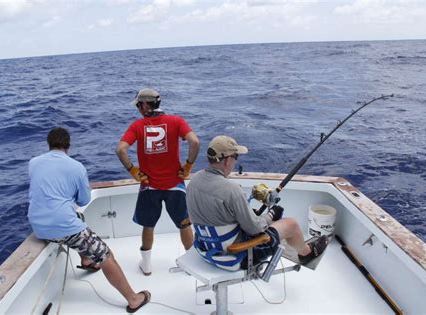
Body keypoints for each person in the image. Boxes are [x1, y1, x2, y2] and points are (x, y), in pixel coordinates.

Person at [28, 127, 150, 313]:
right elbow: (84, 200)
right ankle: (133, 299)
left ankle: (86, 261)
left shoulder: (33, 163)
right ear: (68, 146)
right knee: (106, 256)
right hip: (63, 226)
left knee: (79, 218)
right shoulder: (76, 167)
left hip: (38, 226)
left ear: (49, 144)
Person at [186, 135, 328, 271]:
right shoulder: (232, 190)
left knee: (259, 220)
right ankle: (307, 252)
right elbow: (255, 229)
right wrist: (271, 215)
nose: (235, 162)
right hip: (237, 255)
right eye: (236, 157)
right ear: (227, 160)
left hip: (207, 248)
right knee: (291, 224)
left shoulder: (194, 181)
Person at [116, 88, 200, 276]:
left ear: (145, 105)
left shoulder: (137, 126)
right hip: (175, 185)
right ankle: (193, 265)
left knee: (149, 224)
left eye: (139, 105)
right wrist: (188, 167)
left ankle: (146, 266)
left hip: (149, 186)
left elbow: (121, 149)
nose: (138, 108)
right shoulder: (177, 121)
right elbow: (194, 142)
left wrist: (133, 171)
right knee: (184, 224)